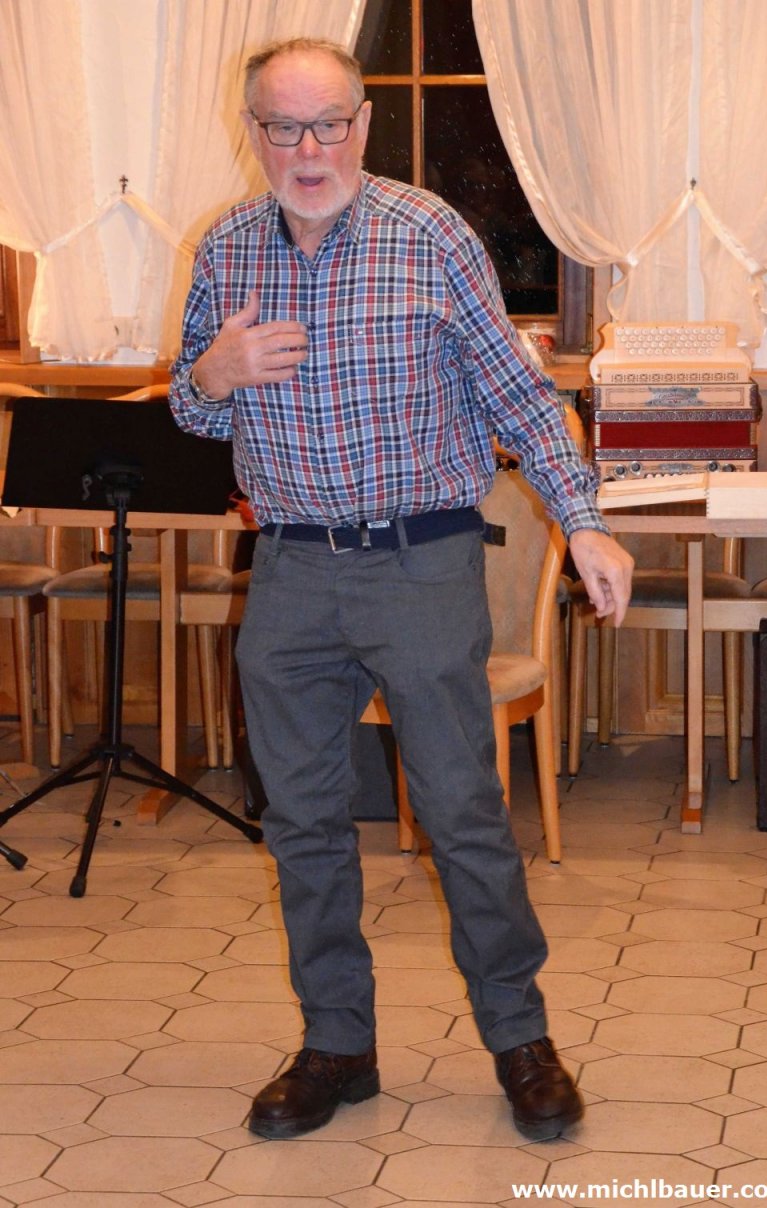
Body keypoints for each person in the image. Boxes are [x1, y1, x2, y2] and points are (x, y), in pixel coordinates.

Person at [169, 37, 634, 1144]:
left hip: (420, 563)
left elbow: (521, 398)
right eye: (284, 127)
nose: (309, 149)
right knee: (302, 821)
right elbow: (192, 407)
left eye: (328, 123)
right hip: (289, 570)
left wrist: (582, 521)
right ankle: (338, 1043)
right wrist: (212, 374)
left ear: (365, 123)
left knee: (461, 812)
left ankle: (519, 1037)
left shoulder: (429, 236)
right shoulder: (225, 249)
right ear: (253, 132)